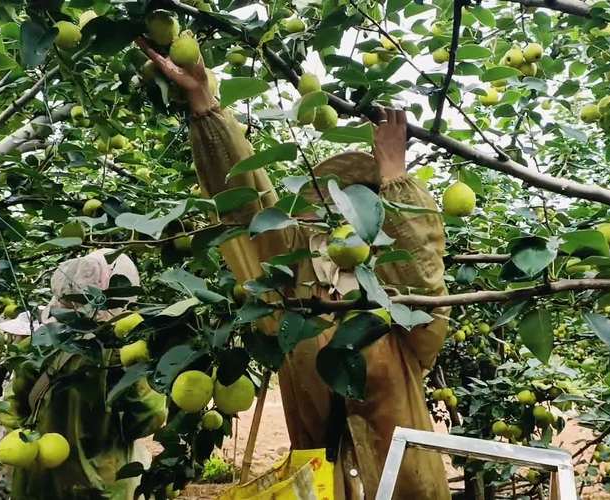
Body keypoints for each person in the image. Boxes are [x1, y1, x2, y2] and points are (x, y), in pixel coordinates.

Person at [140, 40, 451, 499]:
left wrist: (394, 176)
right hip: (317, 454)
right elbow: (246, 198)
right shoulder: (292, 271)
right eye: (323, 204)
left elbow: (424, 271)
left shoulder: (393, 295)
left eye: (352, 204)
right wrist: (204, 103)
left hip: (400, 458)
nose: (330, 215)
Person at [5, 250, 167, 500]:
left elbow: (13, 411)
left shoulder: (39, 345)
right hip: (97, 486)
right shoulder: (118, 358)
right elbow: (148, 418)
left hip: (38, 481)